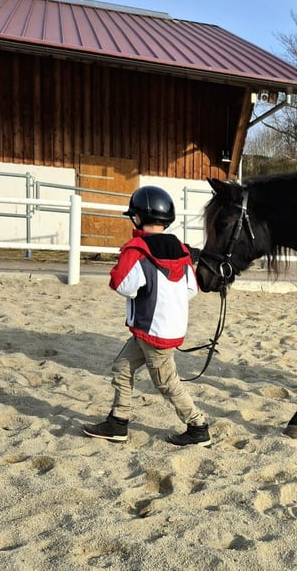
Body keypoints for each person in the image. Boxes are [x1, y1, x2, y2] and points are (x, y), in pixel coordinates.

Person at [83, 185, 211, 447]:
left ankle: (198, 426)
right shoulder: (181, 249)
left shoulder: (137, 249)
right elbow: (191, 290)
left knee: (166, 382)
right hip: (164, 329)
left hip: (151, 330)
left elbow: (124, 286)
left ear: (139, 217)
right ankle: (118, 422)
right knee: (122, 368)